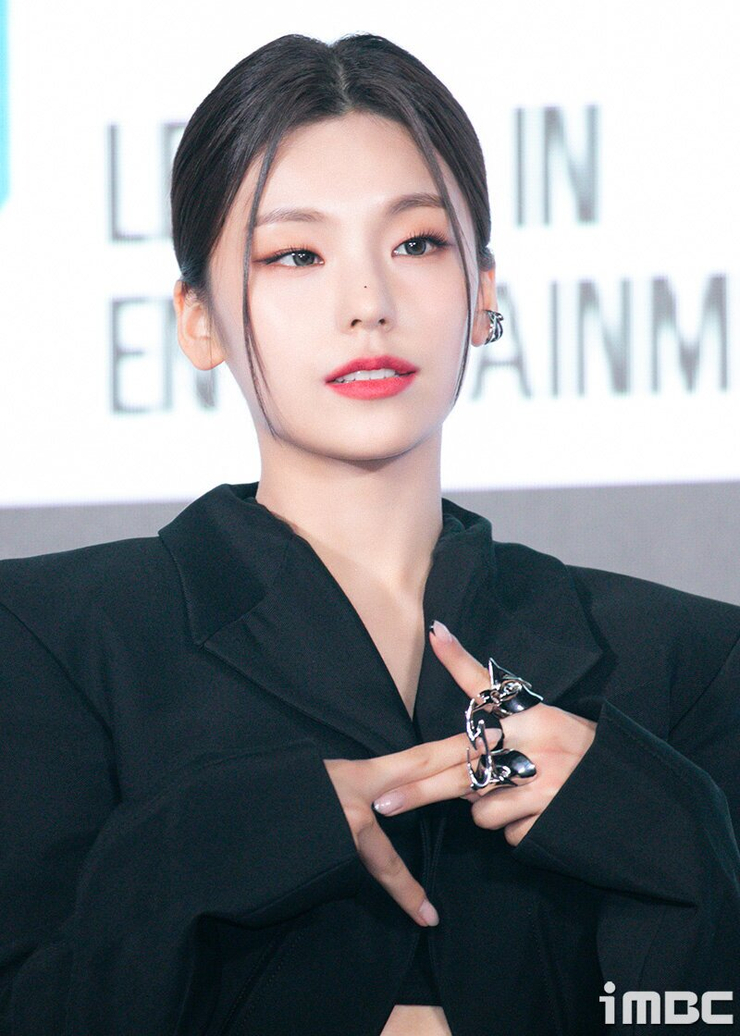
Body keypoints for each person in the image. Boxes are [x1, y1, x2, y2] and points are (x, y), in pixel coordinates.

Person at [1, 31, 739, 1036]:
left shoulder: (687, 661)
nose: (368, 305)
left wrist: (669, 841)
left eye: (417, 244)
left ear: (482, 292)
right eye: (295, 255)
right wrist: (219, 842)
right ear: (198, 319)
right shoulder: (49, 641)